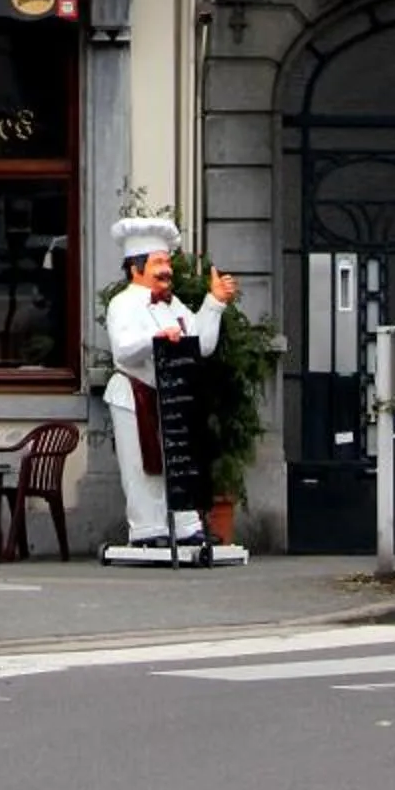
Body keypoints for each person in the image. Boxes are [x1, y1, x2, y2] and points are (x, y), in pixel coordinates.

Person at [105, 212, 238, 547]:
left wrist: (215, 303)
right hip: (134, 394)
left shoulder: (173, 302)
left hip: (173, 396)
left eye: (166, 261)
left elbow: (201, 345)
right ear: (136, 268)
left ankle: (186, 524)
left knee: (178, 462)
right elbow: (123, 350)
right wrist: (156, 338)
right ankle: (147, 530)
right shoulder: (122, 304)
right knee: (142, 466)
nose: (166, 269)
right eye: (158, 262)